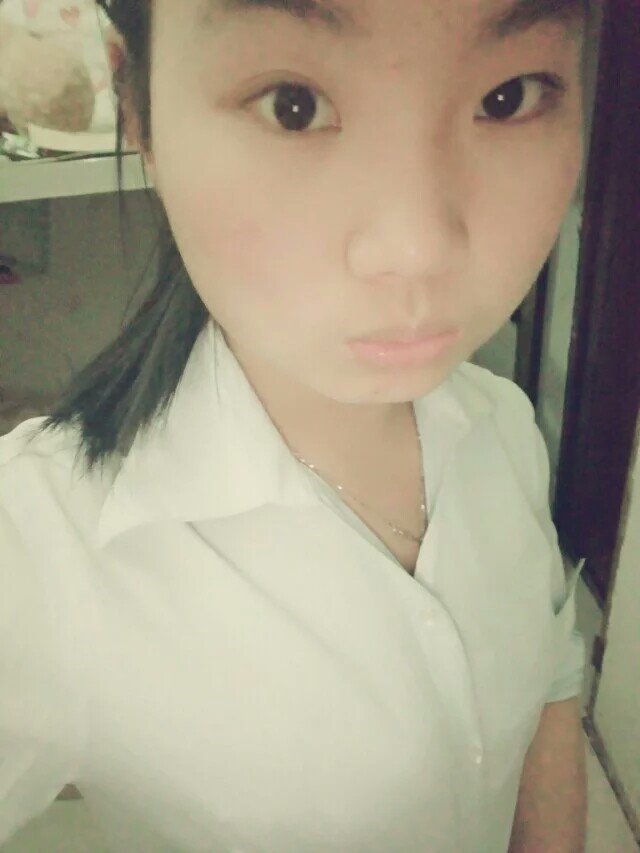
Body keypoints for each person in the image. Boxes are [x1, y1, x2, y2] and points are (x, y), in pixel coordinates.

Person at [0, 1, 591, 850]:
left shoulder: (503, 425)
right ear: (140, 111)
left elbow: (552, 676)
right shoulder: (43, 551)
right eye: (293, 105)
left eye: (509, 97)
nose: (418, 247)